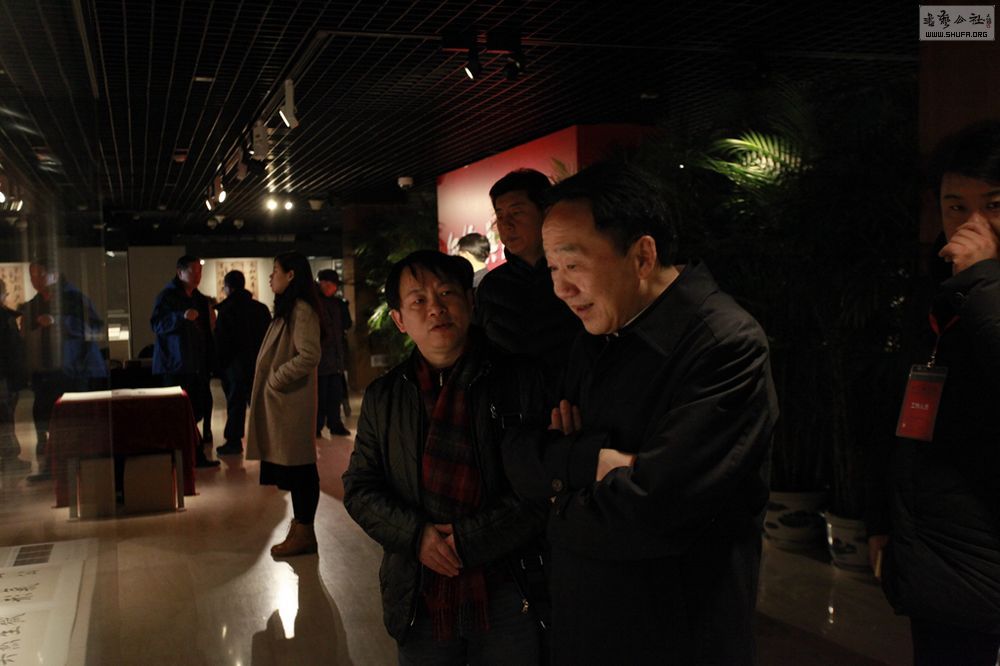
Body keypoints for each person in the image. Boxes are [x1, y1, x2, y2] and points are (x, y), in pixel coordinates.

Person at [501, 161, 778, 665]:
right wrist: (594, 463)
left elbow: (653, 511)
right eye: (553, 269)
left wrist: (552, 499)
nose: (561, 289)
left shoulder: (723, 343)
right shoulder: (596, 333)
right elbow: (519, 453)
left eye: (573, 265)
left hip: (674, 636)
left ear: (643, 256)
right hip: (584, 623)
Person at [342, 250, 547, 665]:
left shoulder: (519, 379)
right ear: (399, 319)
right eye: (418, 300)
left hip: (509, 585)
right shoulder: (385, 397)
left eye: (447, 293)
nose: (435, 308)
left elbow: (541, 486)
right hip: (419, 591)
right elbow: (360, 488)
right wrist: (416, 537)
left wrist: (468, 540)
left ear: (470, 301)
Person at [866, 121, 1000, 666]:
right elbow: (895, 412)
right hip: (936, 559)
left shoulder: (975, 285)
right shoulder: (937, 289)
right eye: (955, 206)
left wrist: (984, 280)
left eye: (993, 205)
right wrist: (882, 521)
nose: (971, 225)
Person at [474, 169, 581, 398]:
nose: (506, 225)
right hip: (513, 409)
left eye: (517, 212)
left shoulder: (577, 273)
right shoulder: (491, 287)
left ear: (546, 212)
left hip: (576, 405)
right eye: (500, 216)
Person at [247, 251, 324, 557]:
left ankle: (305, 532)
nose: (270, 276)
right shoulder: (289, 308)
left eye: (276, 270)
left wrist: (277, 378)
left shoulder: (301, 309)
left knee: (301, 468)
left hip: (291, 403)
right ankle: (301, 527)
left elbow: (309, 355)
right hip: (285, 404)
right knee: (296, 469)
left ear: (291, 275)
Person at [21, 256, 108, 479]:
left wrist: (59, 322)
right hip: (44, 372)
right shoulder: (34, 304)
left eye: (39, 274)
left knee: (72, 421)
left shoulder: (74, 298)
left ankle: (79, 467)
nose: (35, 280)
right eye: (32, 275)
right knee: (43, 419)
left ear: (54, 274)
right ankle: (50, 468)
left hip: (74, 370)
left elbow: (95, 328)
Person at [150, 255, 219, 468]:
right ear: (180, 272)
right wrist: (180, 317)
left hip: (196, 365)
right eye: (193, 271)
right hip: (175, 365)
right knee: (177, 414)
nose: (198, 275)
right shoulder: (167, 296)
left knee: (197, 408)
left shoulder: (199, 298)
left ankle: (193, 456)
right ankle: (184, 457)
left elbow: (206, 333)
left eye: (200, 271)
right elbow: (156, 324)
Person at [213, 270, 271, 455]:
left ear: (228, 288)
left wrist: (220, 366)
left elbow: (221, 342)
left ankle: (234, 442)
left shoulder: (226, 310)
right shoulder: (260, 309)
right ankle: (265, 441)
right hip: (258, 363)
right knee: (260, 405)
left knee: (235, 405)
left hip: (234, 366)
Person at [315, 269, 352, 437]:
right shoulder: (314, 303)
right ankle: (316, 426)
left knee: (335, 394)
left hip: (336, 358)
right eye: (330, 285)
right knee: (320, 396)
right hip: (320, 358)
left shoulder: (337, 304)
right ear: (322, 283)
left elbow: (346, 324)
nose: (333, 289)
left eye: (335, 286)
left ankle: (335, 423)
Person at [0, 278, 28, 472]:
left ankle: (9, 456)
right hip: (5, 374)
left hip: (6, 374)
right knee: (5, 416)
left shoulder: (6, 316)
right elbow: (13, 348)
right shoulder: (5, 318)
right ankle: (9, 457)